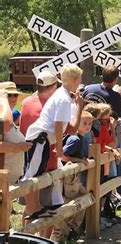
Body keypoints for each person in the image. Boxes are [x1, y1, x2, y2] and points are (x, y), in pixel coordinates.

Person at [23, 64, 83, 229]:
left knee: (38, 172)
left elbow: (65, 127)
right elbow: (58, 125)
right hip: (40, 138)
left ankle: (35, 207)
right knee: (31, 174)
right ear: (75, 79)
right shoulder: (63, 98)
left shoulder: (61, 94)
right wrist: (60, 148)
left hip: (43, 139)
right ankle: (32, 207)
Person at [51, 111, 93, 241]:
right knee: (69, 202)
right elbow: (62, 155)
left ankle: (70, 229)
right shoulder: (75, 139)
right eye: (84, 123)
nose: (88, 126)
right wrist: (79, 161)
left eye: (90, 123)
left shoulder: (82, 138)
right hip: (66, 177)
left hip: (72, 177)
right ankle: (62, 233)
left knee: (84, 197)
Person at [0, 83, 32, 185]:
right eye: (8, 95)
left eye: (15, 95)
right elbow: (6, 126)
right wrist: (18, 147)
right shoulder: (4, 119)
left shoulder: (8, 117)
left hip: (8, 179)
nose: (13, 98)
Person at [19, 71, 59, 136]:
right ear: (54, 87)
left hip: (25, 143)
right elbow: (69, 129)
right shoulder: (48, 107)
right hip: (42, 145)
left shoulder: (26, 102)